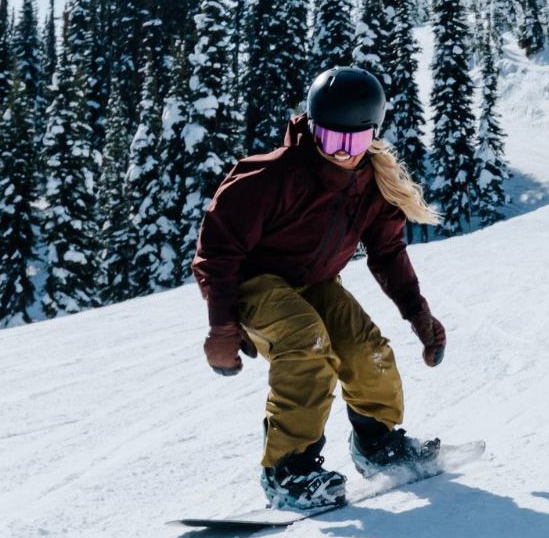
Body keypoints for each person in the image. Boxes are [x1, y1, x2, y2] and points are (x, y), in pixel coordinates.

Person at [193, 66, 450, 510]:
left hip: (315, 282)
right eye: (333, 140)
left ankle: (377, 444)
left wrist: (419, 316)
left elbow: (388, 253)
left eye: (356, 142)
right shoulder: (269, 176)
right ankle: (288, 471)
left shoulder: (371, 185)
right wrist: (222, 330)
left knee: (365, 348)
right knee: (305, 341)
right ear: (313, 129)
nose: (345, 154)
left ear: (373, 135)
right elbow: (217, 252)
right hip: (254, 285)